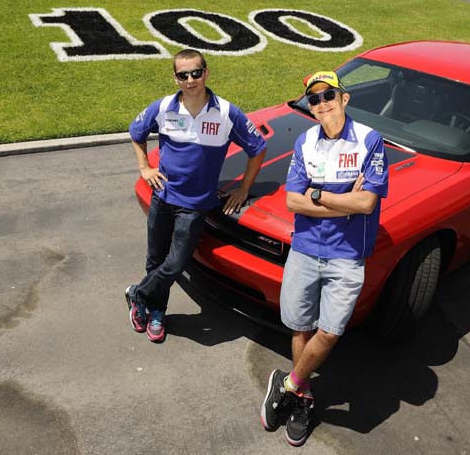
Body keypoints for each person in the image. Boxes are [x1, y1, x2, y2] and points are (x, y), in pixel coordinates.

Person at [260, 71, 388, 446]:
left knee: (330, 332)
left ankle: (287, 385)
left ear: (344, 98)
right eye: (313, 99)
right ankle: (304, 398)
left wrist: (317, 196)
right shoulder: (305, 141)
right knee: (300, 327)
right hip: (304, 249)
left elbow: (367, 202)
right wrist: (338, 201)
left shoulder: (369, 140)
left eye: (328, 95)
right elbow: (292, 200)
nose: (321, 103)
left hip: (347, 257)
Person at [125, 49, 267, 343]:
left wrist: (243, 188)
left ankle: (137, 294)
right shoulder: (163, 107)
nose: (190, 80)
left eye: (196, 73)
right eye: (183, 75)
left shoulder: (227, 113)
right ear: (175, 77)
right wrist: (144, 167)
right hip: (163, 197)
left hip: (195, 205)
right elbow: (136, 132)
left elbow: (258, 147)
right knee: (155, 260)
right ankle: (155, 312)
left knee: (175, 265)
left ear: (207, 73)